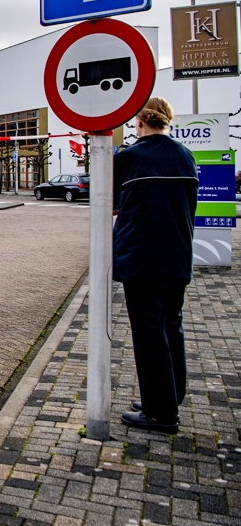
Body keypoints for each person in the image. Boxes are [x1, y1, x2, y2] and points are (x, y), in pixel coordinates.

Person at [113, 97, 198, 434]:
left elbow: (111, 200)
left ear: (140, 121)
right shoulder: (184, 154)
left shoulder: (130, 157)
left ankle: (160, 413)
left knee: (148, 331)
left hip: (142, 257)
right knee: (171, 325)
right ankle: (168, 395)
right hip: (178, 254)